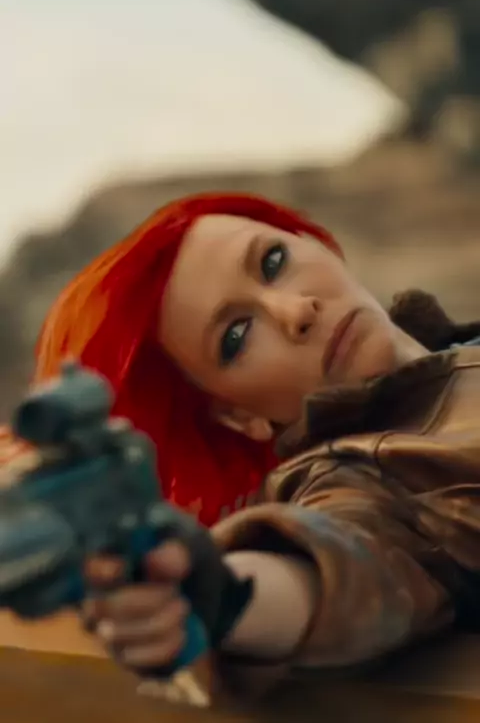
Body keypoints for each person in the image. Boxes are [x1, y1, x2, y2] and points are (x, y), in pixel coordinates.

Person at [9, 192, 480, 700]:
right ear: (240, 416)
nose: (295, 311)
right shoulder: (366, 472)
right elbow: (345, 558)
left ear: (312, 243)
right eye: (236, 336)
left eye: (273, 262)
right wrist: (206, 589)